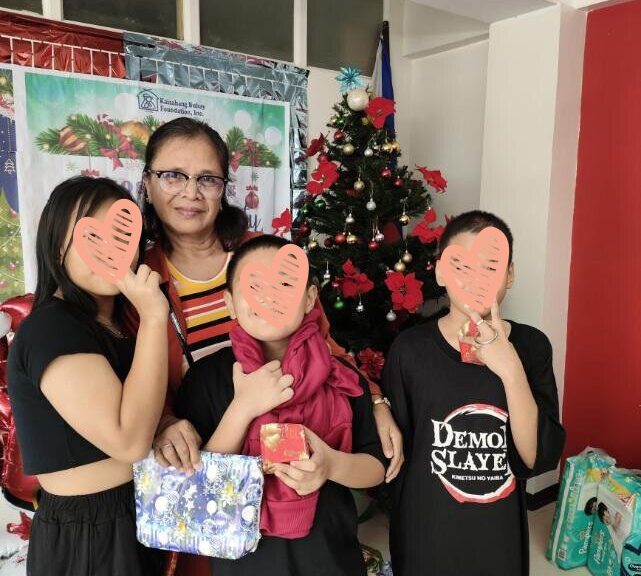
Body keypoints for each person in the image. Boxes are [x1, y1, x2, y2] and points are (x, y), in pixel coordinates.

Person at [135, 117, 403, 575]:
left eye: (207, 178)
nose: (190, 192)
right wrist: (164, 421)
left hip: (316, 515)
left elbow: (322, 344)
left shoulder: (265, 254)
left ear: (224, 187)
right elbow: (134, 371)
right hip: (210, 442)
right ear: (148, 182)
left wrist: (374, 397)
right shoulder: (139, 278)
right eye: (173, 175)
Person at [175, 235, 386, 576]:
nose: (270, 297)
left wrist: (330, 465)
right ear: (229, 302)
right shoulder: (207, 378)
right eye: (254, 286)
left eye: (285, 283)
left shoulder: (342, 377)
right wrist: (243, 408)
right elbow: (192, 489)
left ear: (309, 299)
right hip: (241, 565)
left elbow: (376, 466)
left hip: (331, 560)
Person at [382, 210, 566, 576]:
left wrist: (510, 369)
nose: (475, 281)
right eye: (461, 267)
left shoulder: (532, 347)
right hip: (426, 531)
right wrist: (376, 404)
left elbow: (537, 458)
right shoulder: (410, 349)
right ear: (439, 271)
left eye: (491, 267)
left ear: (509, 274)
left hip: (496, 536)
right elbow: (393, 451)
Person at [7, 177, 168, 576]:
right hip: (89, 534)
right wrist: (153, 316)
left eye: (122, 234)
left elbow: (144, 412)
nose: (111, 250)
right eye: (91, 235)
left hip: (136, 514)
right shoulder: (51, 328)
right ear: (55, 243)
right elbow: (129, 441)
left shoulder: (115, 324)